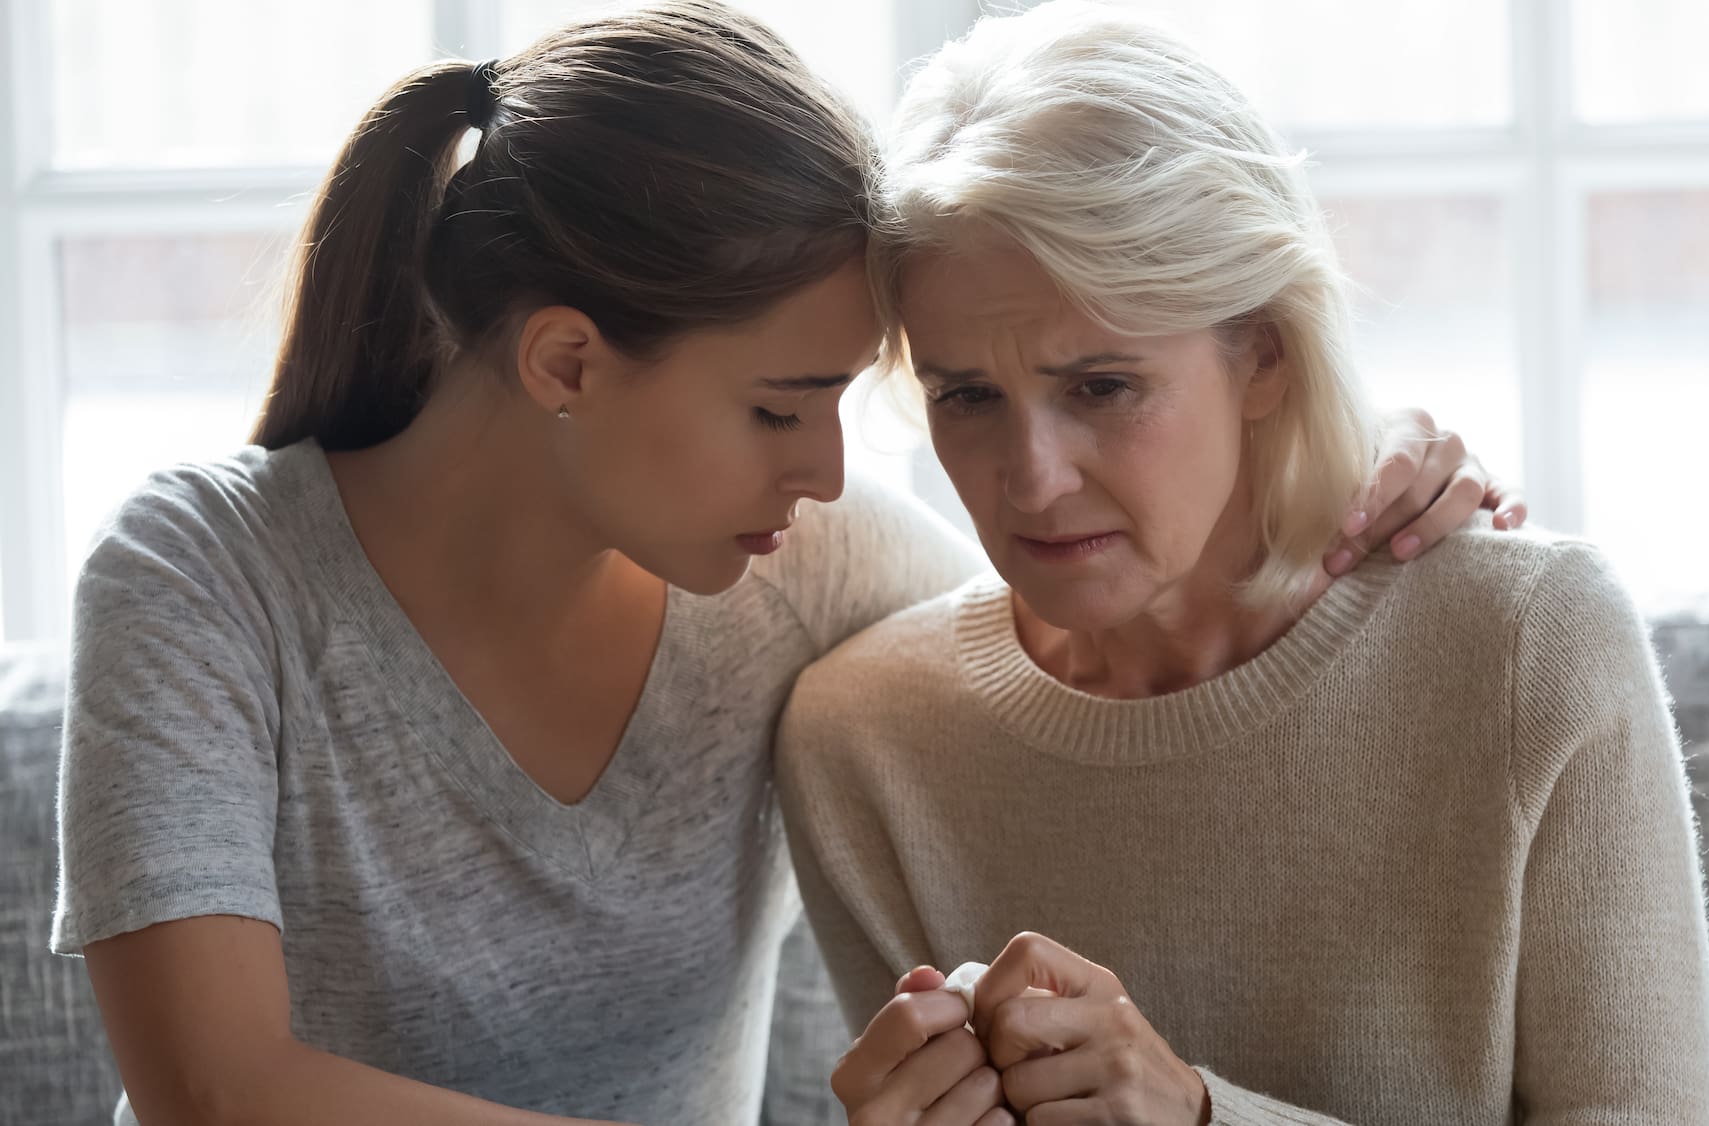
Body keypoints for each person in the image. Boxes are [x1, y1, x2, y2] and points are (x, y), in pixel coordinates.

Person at [49, 4, 1516, 1124]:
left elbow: (1102, 618)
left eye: (842, 400)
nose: (824, 470)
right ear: (567, 358)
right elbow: (219, 1093)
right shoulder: (199, 576)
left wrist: (1335, 442)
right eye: (777, 407)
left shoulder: (805, 570)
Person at [775, 5, 1709, 1124]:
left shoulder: (1528, 645)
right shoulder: (863, 740)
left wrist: (1195, 1115)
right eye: (966, 396)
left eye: (1100, 386)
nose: (1028, 481)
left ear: (1261, 351)